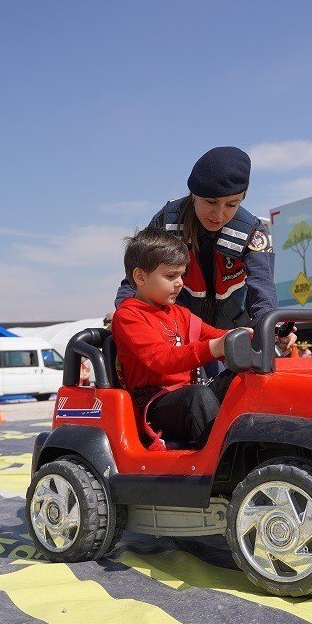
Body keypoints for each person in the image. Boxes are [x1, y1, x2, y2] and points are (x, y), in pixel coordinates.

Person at [113, 147, 291, 369]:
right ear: (193, 194)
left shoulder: (253, 233)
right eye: (211, 202)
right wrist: (126, 315)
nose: (219, 215)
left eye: (232, 205)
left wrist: (271, 328)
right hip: (180, 331)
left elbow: (263, 290)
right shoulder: (167, 222)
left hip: (231, 332)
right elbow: (135, 279)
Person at [112, 227, 249, 449]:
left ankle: (257, 442)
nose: (180, 283)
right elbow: (162, 359)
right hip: (154, 405)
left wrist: (244, 339)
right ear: (140, 276)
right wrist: (213, 348)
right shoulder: (129, 315)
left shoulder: (179, 313)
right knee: (198, 396)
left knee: (243, 376)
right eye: (170, 276)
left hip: (186, 398)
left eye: (181, 275)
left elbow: (215, 336)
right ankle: (229, 461)